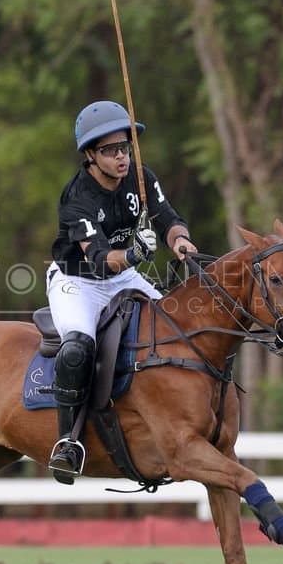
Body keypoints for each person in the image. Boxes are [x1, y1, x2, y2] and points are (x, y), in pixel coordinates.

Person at [45, 100, 198, 482]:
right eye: (110, 150)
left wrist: (180, 242)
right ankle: (67, 442)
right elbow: (97, 258)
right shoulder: (76, 197)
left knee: (179, 330)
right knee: (78, 346)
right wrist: (134, 253)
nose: (121, 157)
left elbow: (169, 219)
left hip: (122, 277)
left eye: (124, 147)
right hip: (76, 281)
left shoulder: (142, 178)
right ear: (91, 156)